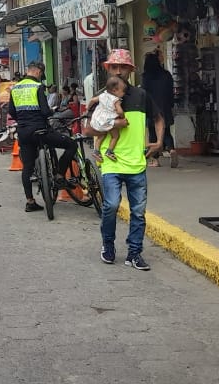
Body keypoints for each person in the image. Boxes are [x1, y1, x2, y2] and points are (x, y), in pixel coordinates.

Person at [84, 49, 162, 271]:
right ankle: (108, 245)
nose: (119, 71)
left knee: (138, 211)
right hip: (111, 162)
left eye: (123, 67)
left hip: (137, 163)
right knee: (111, 205)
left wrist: (158, 142)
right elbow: (88, 130)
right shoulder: (102, 97)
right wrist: (114, 124)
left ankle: (134, 253)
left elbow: (158, 118)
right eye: (114, 67)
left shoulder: (141, 95)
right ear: (108, 69)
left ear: (130, 70)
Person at [8, 61, 80, 213]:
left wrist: (23, 118)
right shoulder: (38, 87)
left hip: (24, 133)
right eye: (41, 74)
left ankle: (30, 201)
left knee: (27, 167)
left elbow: (12, 112)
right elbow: (45, 111)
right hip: (41, 131)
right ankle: (59, 174)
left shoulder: (15, 88)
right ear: (38, 72)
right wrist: (53, 111)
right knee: (71, 144)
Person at [140, 51, 176, 168]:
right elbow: (171, 91)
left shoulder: (145, 77)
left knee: (152, 133)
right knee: (166, 131)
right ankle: (171, 149)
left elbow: (144, 92)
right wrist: (171, 104)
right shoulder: (166, 75)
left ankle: (155, 160)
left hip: (152, 107)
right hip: (165, 105)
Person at [90, 76, 127, 161]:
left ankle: (96, 151)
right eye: (123, 91)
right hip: (109, 121)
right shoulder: (116, 100)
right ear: (115, 90)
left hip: (99, 120)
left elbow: (92, 100)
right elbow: (120, 111)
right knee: (115, 136)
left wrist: (87, 108)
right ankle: (109, 151)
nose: (124, 93)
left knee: (101, 135)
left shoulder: (103, 95)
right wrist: (122, 117)